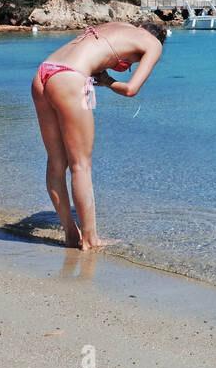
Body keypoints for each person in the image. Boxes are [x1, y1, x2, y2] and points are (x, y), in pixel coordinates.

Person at [31, 21, 166, 249]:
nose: (130, 64)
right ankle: (90, 239)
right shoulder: (153, 44)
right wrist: (109, 81)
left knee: (56, 161)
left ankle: (71, 234)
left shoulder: (117, 25)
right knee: (80, 165)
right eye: (131, 63)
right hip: (70, 78)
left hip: (43, 73)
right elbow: (131, 89)